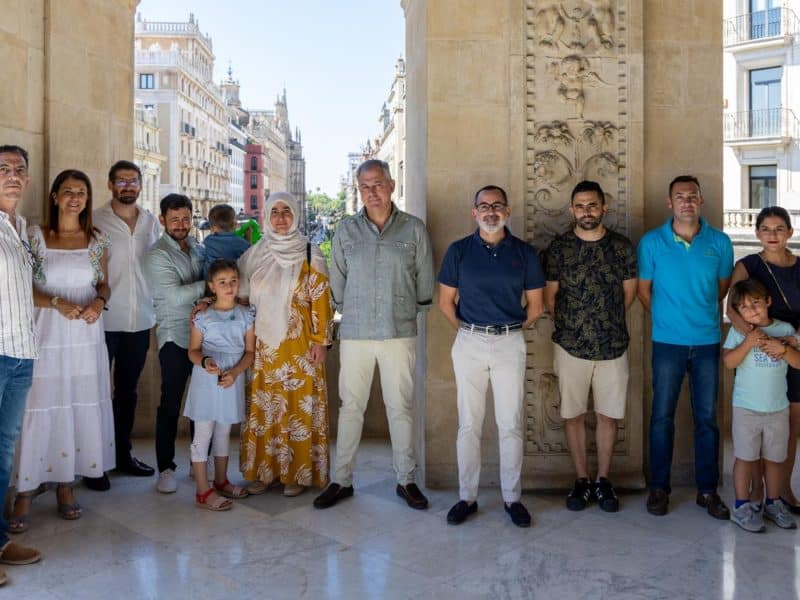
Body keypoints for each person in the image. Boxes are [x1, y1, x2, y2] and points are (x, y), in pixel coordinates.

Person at [313, 160, 434, 510]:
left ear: (392, 185)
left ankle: (406, 480)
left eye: (378, 184)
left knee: (401, 408)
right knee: (351, 408)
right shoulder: (346, 231)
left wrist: (404, 312)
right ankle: (342, 480)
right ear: (358, 190)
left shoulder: (414, 230)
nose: (372, 192)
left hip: (399, 332)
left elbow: (424, 283)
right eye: (365, 186)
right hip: (355, 333)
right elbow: (336, 286)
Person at [10, 169, 115, 531]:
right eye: (68, 191)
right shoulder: (35, 237)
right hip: (45, 335)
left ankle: (66, 486)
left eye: (82, 192)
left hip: (86, 339)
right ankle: (25, 489)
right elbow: (20, 287)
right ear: (54, 196)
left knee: (75, 405)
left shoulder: (97, 239)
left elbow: (103, 284)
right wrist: (56, 302)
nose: (75, 198)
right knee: (39, 406)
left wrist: (99, 303)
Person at [437, 185, 544, 527]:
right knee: (469, 423)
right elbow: (445, 302)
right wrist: (471, 330)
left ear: (508, 211)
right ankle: (466, 497)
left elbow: (537, 306)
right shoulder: (458, 251)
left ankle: (512, 498)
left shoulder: (525, 254)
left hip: (510, 342)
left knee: (510, 423)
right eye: (484, 206)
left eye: (497, 205)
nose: (491, 211)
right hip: (469, 342)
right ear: (474, 213)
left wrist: (506, 330)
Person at [637, 175, 733, 519]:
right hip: (667, 343)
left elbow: (721, 289)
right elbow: (643, 292)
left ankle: (707, 491)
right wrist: (668, 318)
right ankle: (658, 488)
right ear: (670, 203)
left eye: (693, 196)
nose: (687, 202)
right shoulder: (651, 243)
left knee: (707, 419)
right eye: (680, 196)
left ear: (701, 201)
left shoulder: (720, 243)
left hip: (707, 342)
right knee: (661, 417)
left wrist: (697, 317)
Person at [544, 180, 637, 512]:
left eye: (592, 205)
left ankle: (603, 481)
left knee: (609, 416)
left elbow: (629, 295)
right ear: (572, 210)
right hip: (570, 346)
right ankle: (582, 479)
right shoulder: (559, 249)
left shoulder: (622, 248)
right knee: (573, 416)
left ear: (604, 208)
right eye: (580, 206)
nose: (587, 211)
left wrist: (604, 323)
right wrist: (576, 325)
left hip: (614, 346)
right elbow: (550, 298)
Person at [238, 192, 333, 497]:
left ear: (295, 215)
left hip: (301, 347)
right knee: (267, 407)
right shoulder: (255, 254)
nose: (280, 218)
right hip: (265, 347)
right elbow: (238, 296)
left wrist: (322, 342)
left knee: (297, 408)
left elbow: (321, 301)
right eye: (274, 212)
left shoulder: (310, 252)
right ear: (266, 216)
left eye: (286, 211)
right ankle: (265, 473)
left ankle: (297, 474)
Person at [91, 160, 161, 489]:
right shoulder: (95, 220)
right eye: (121, 181)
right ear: (110, 185)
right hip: (103, 319)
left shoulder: (149, 222)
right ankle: (94, 463)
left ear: (140, 185)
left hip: (141, 319)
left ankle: (122, 454)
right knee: (96, 393)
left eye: (133, 181)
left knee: (127, 393)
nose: (128, 186)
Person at [726, 206, 800, 513]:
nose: (773, 235)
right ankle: (755, 493)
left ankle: (783, 490)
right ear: (757, 233)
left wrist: (792, 341)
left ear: (790, 232)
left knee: (788, 427)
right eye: (766, 229)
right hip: (757, 352)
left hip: (792, 347)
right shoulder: (748, 265)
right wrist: (752, 336)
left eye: (779, 228)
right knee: (755, 426)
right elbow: (731, 306)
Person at [723, 279, 799, 532]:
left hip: (778, 408)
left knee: (775, 459)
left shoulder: (784, 328)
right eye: (744, 307)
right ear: (738, 312)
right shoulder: (739, 332)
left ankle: (773, 502)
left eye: (756, 303)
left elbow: (798, 363)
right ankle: (742, 506)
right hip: (746, 408)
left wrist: (783, 348)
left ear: (768, 301)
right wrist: (749, 342)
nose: (752, 310)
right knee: (745, 457)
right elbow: (729, 363)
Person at [144, 194, 206, 494]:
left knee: (201, 405)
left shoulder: (196, 247)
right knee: (170, 404)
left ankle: (199, 464)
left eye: (185, 219)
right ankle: (165, 468)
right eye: (174, 220)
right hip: (175, 338)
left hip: (205, 337)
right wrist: (210, 286)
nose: (181, 225)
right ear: (162, 221)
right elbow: (175, 297)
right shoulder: (157, 255)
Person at [0, 145, 41, 585]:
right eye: (4, 169)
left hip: (21, 353)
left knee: (3, 453)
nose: (13, 175)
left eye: (19, 170)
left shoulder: (21, 227)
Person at [185, 259, 255, 510]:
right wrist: (205, 361)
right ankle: (203, 490)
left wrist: (235, 372)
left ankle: (222, 480)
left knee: (224, 431)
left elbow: (249, 352)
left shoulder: (247, 314)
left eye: (233, 281)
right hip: (207, 379)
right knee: (204, 433)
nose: (229, 286)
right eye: (222, 282)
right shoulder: (202, 315)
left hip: (231, 378)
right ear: (211, 286)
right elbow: (192, 350)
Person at [200, 204, 250, 280]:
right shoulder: (240, 243)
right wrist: (247, 237)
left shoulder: (208, 240)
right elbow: (250, 254)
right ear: (235, 225)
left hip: (209, 281)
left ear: (212, 228)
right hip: (230, 282)